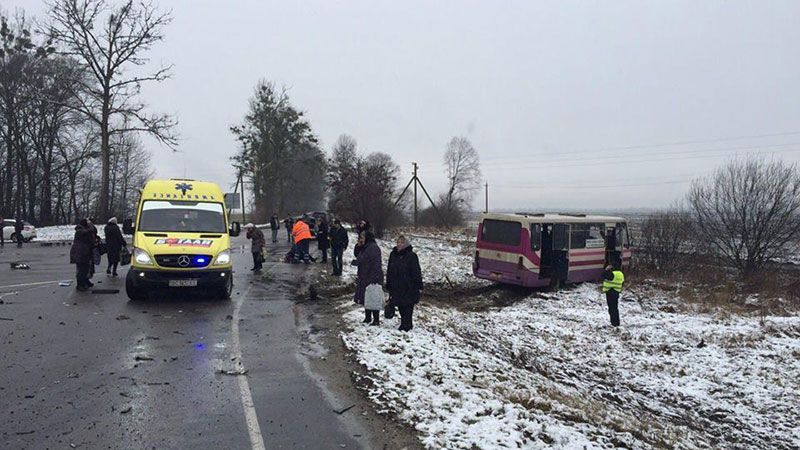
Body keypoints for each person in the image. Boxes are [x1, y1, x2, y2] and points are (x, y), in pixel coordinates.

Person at [386, 235, 423, 332]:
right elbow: (389, 270)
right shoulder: (393, 254)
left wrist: (418, 285)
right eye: (398, 242)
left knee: (408, 306)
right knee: (400, 305)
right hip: (396, 285)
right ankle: (404, 323)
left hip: (408, 286)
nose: (399, 244)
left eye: (402, 242)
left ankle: (407, 325)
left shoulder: (411, 256)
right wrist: (388, 283)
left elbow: (416, 271)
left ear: (406, 244)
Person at [354, 231, 383, 326]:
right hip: (365, 274)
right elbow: (358, 256)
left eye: (362, 237)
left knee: (373, 297)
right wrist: (358, 246)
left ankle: (376, 319)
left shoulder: (372, 248)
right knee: (366, 297)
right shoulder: (366, 247)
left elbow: (371, 262)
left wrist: (374, 277)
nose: (361, 239)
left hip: (371, 275)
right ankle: (368, 317)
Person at [70, 219, 95, 291]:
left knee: (85, 268)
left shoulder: (82, 230)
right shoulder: (80, 231)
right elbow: (90, 231)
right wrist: (91, 225)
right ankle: (80, 284)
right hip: (80, 252)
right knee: (81, 269)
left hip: (83, 252)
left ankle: (84, 282)